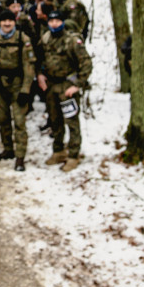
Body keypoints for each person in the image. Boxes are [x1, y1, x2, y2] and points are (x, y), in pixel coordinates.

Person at [0, 10, 36, 171]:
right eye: (4, 21)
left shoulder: (22, 39)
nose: (6, 24)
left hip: (17, 85)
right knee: (3, 119)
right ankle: (8, 149)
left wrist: (26, 89)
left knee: (19, 122)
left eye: (10, 21)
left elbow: (29, 66)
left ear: (14, 22)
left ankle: (20, 157)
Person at [39, 11, 92, 172]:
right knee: (55, 120)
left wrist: (77, 84)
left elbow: (86, 63)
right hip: (51, 85)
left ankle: (73, 155)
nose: (54, 24)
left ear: (63, 22)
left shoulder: (72, 40)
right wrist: (40, 75)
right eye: (51, 21)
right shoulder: (45, 39)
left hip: (67, 86)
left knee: (71, 121)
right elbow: (39, 59)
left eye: (57, 21)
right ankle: (58, 150)